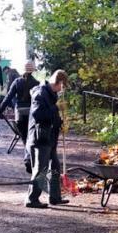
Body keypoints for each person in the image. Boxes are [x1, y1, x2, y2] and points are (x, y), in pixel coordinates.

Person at [26, 69, 70, 208]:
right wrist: (55, 108)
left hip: (50, 137)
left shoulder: (52, 94)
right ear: (59, 83)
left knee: (55, 167)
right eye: (61, 87)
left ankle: (55, 197)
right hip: (40, 138)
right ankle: (32, 199)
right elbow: (38, 114)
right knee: (41, 169)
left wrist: (60, 124)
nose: (60, 91)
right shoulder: (41, 93)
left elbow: (53, 115)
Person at [0, 61, 40, 172]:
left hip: (19, 114)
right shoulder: (37, 83)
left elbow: (8, 97)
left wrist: (0, 110)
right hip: (32, 114)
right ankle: (30, 160)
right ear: (33, 71)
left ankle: (29, 159)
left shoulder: (17, 82)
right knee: (31, 138)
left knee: (25, 138)